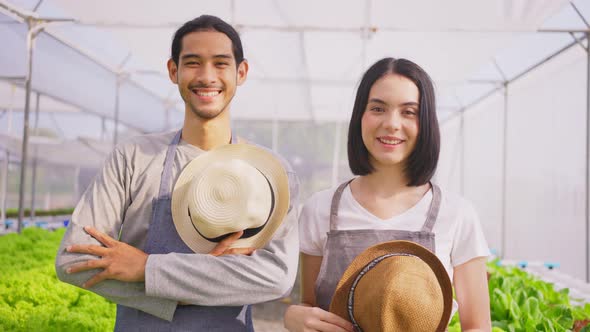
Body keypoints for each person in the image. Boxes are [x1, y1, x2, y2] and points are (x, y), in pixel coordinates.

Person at [55, 15, 299, 331]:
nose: (207, 76)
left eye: (221, 64)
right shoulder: (133, 158)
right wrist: (206, 284)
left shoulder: (270, 174)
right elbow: (73, 261)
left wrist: (146, 268)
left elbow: (275, 276)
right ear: (174, 71)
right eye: (193, 63)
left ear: (241, 72)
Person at [284, 57, 491, 332]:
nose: (392, 123)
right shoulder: (320, 209)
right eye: (378, 108)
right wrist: (294, 317)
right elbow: (311, 306)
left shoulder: (456, 214)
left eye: (408, 112)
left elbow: (478, 326)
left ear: (426, 122)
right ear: (361, 115)